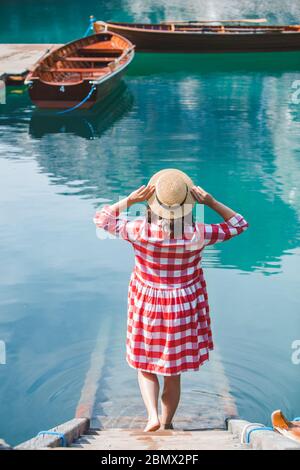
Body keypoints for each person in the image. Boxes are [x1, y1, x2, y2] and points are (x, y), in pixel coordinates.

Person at [93, 168, 249, 432]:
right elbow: (239, 224)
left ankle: (152, 416)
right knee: (172, 371)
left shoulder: (139, 230)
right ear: (188, 206)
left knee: (145, 364)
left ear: (152, 204)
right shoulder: (198, 233)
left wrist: (129, 200)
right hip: (183, 306)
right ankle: (166, 423)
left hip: (148, 304)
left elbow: (101, 219)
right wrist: (210, 202)